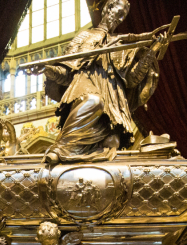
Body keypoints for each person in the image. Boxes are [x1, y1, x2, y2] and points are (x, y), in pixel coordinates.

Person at [29, 0, 167, 163]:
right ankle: (60, 149)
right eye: (119, 12)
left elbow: (131, 80)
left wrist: (153, 51)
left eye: (123, 16)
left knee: (112, 143)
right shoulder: (85, 36)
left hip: (112, 106)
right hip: (85, 94)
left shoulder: (120, 46)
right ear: (107, 9)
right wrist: (47, 68)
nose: (120, 19)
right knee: (94, 102)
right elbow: (66, 73)